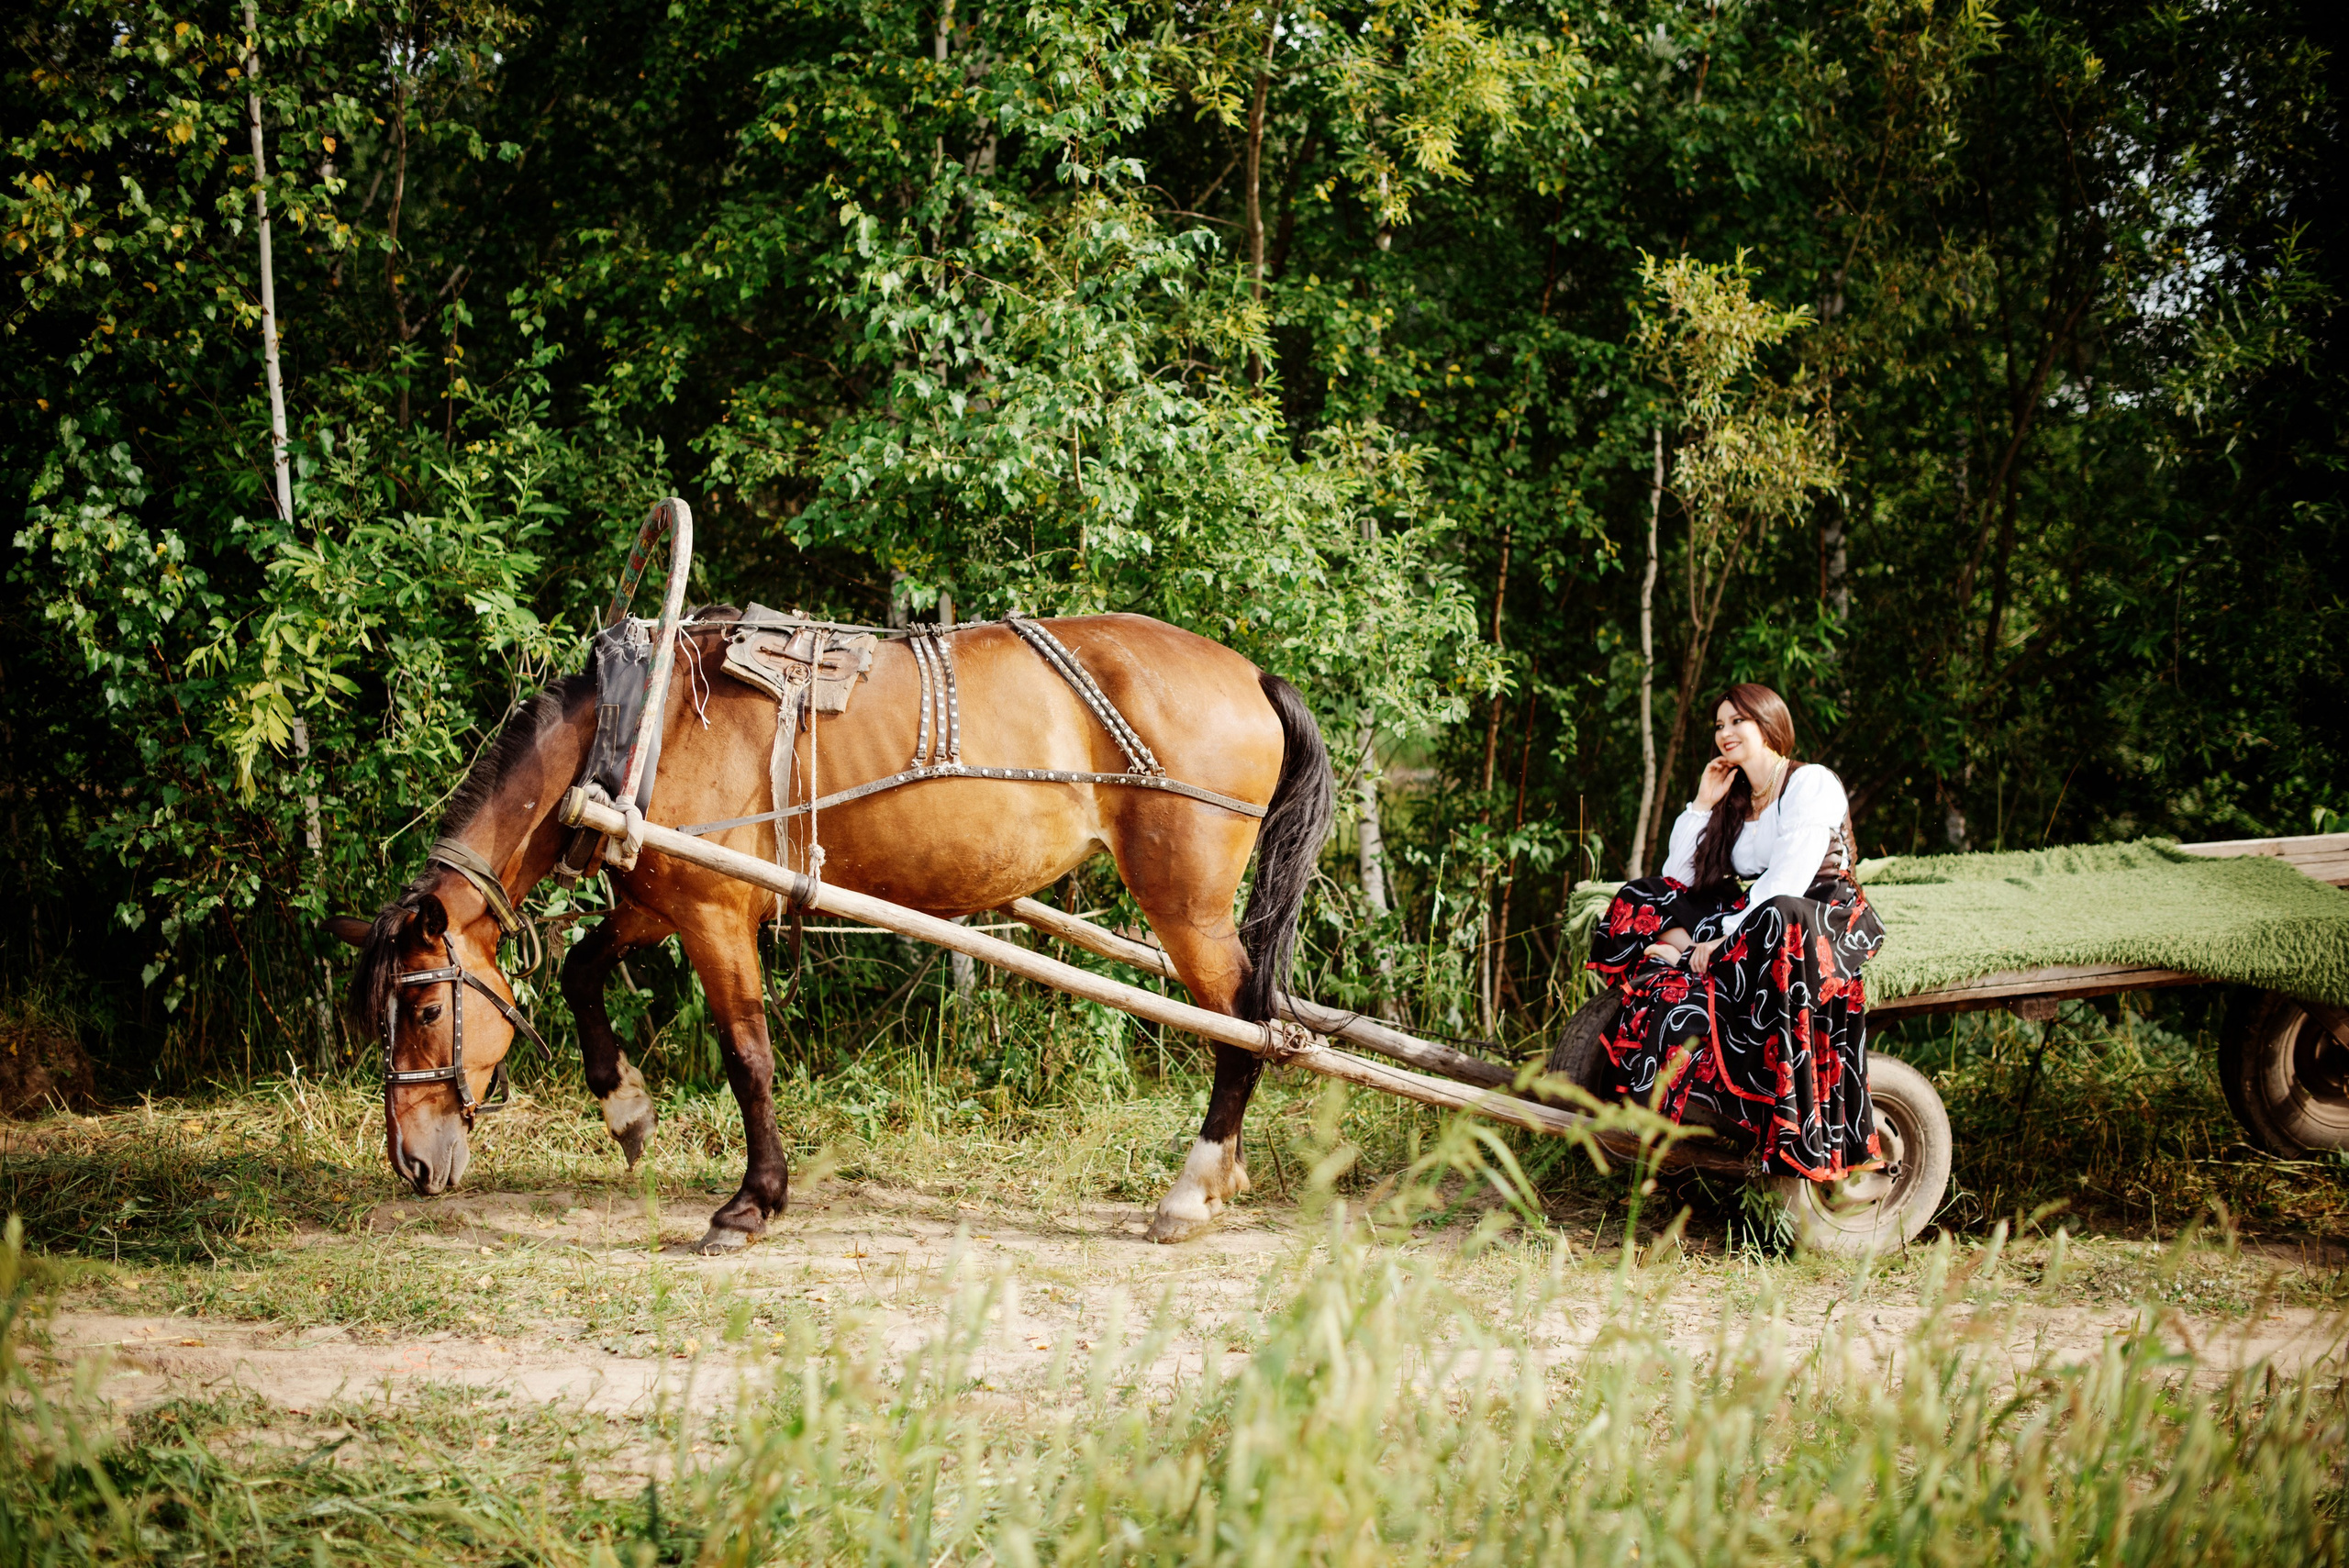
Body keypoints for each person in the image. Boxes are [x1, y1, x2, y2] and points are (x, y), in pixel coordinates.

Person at [1586, 683, 1886, 1181]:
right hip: (1757, 911)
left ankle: (1687, 955)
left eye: (1737, 721)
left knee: (1775, 912)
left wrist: (1722, 936)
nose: (1725, 733)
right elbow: (1678, 876)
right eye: (1719, 725)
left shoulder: (1810, 782)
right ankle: (1689, 956)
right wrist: (1705, 802)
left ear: (1768, 725)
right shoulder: (1738, 796)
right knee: (1644, 893)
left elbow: (1790, 880)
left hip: (1815, 915)